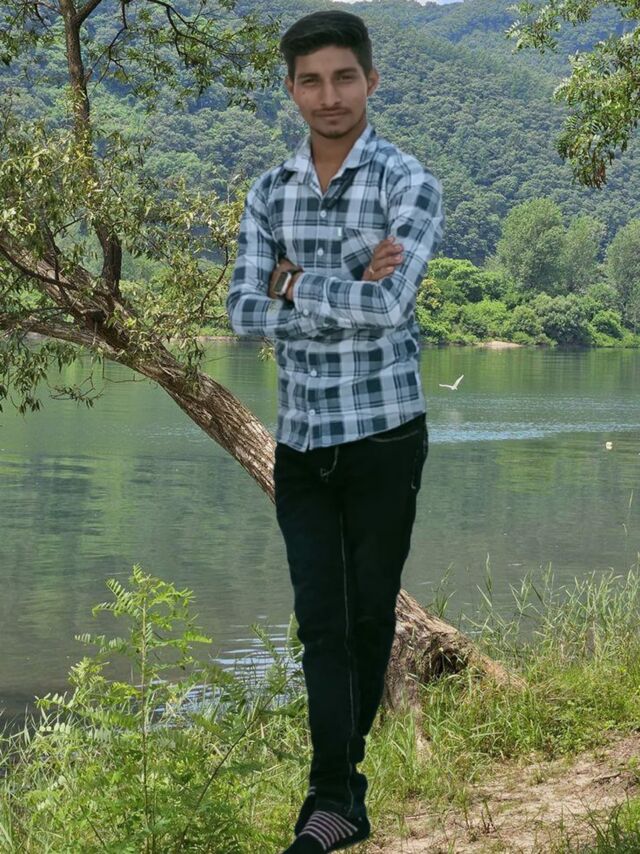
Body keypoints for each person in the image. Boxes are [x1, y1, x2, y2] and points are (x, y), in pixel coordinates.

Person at [226, 9, 445, 852]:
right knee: (320, 618)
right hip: (301, 437)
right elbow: (242, 312)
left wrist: (292, 283)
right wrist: (346, 279)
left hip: (384, 434)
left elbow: (392, 306)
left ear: (371, 81)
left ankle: (335, 796)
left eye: (344, 77)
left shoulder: (407, 182)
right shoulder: (268, 192)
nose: (329, 96)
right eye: (311, 81)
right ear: (291, 91)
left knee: (364, 617)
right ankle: (337, 800)